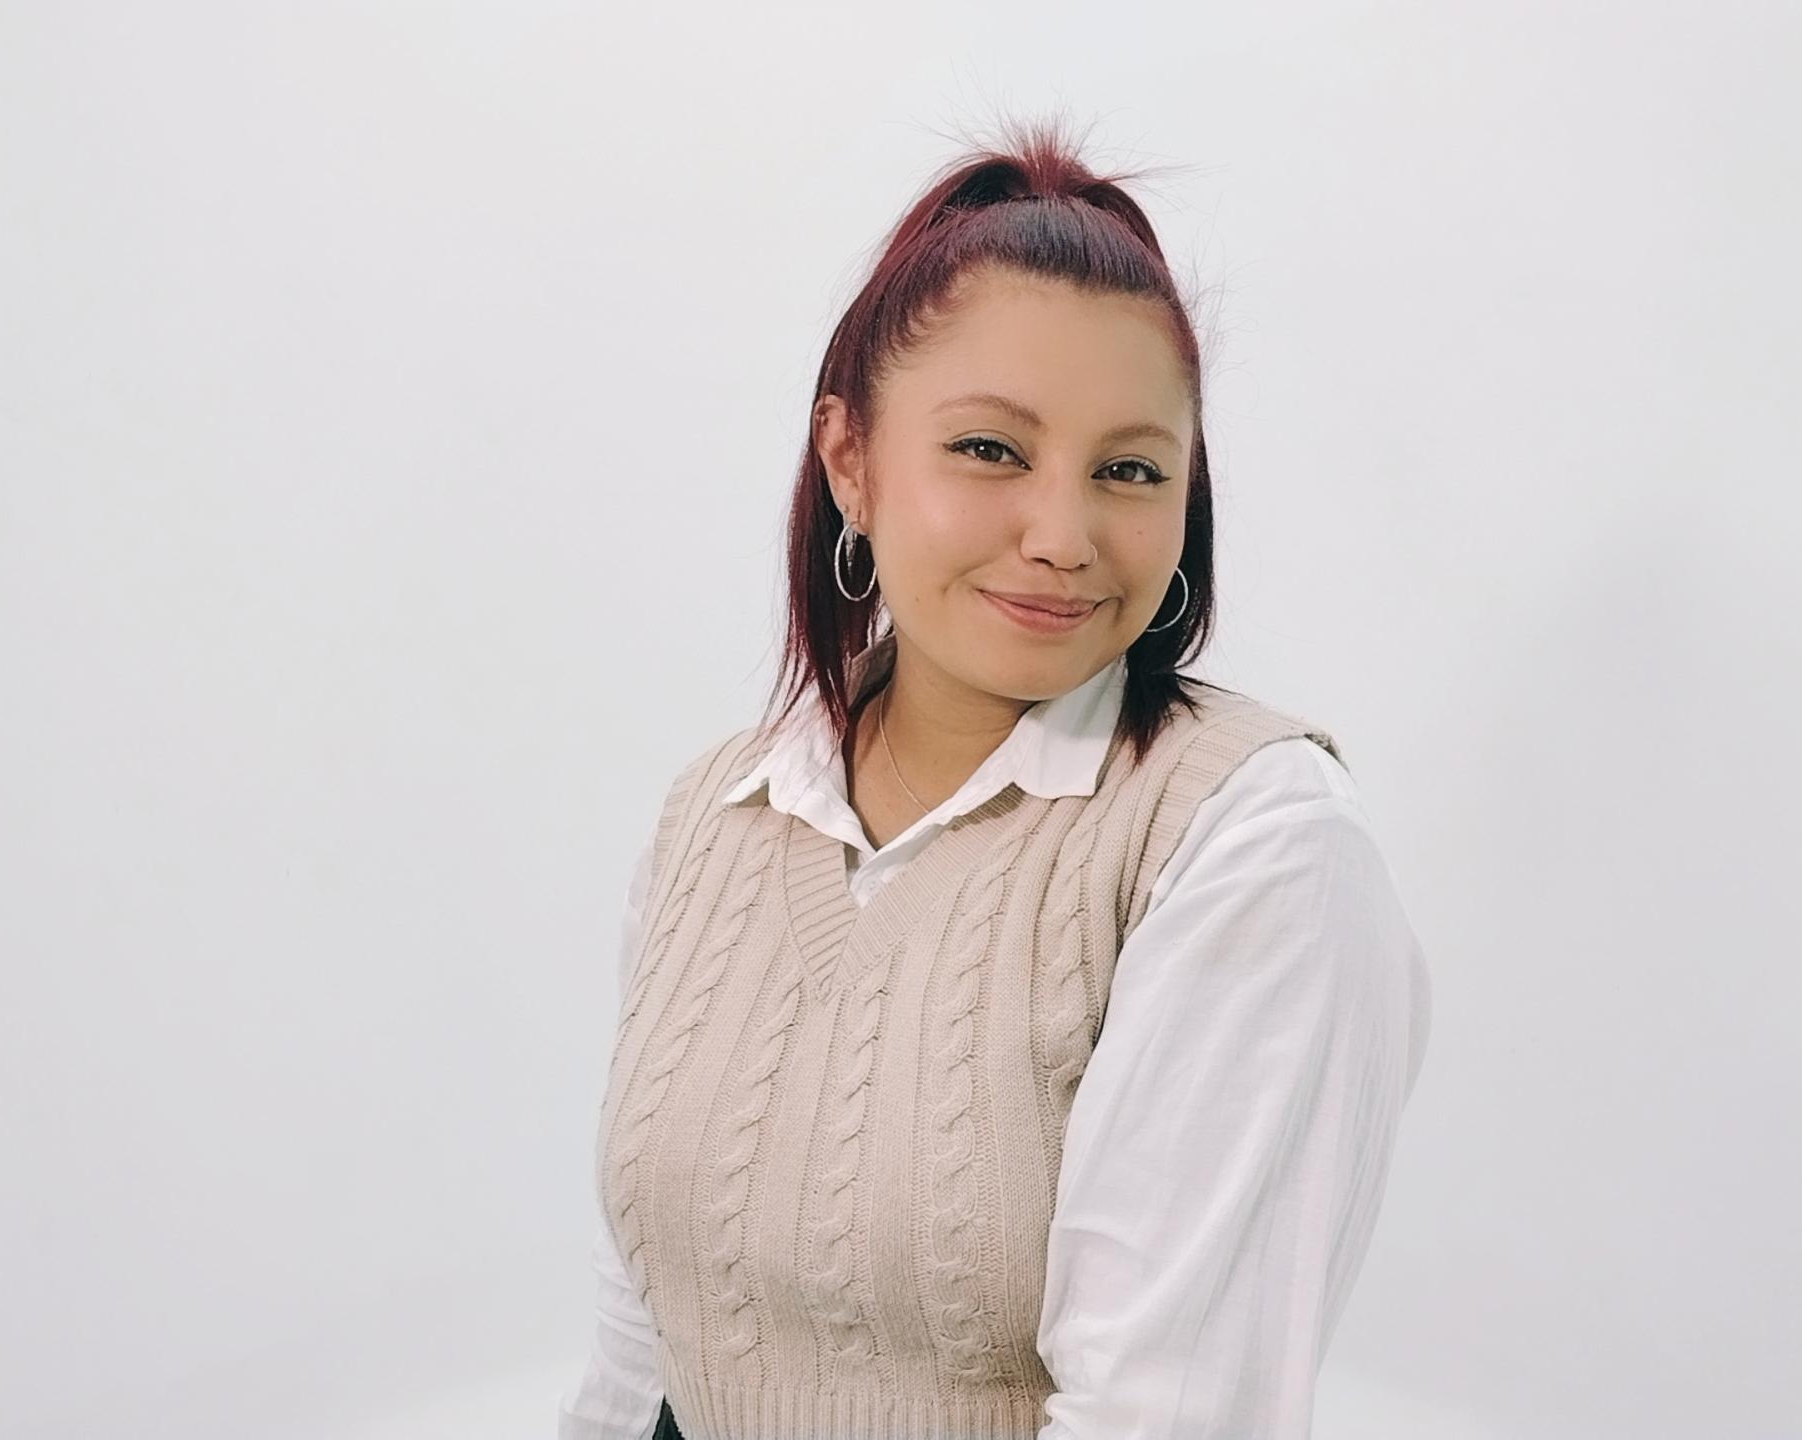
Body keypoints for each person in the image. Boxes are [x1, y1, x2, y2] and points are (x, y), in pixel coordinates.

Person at [557, 116, 1432, 1440]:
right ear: (851, 460)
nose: (1063, 536)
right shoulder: (718, 813)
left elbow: (1165, 1417)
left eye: (1129, 470)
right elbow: (641, 1331)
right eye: (991, 450)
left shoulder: (1252, 841)